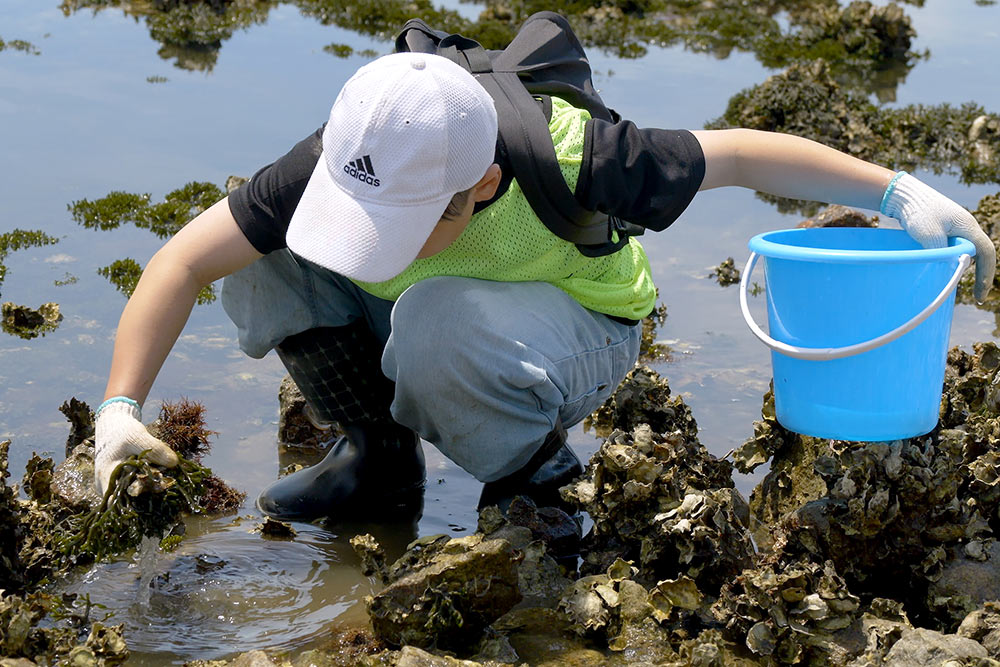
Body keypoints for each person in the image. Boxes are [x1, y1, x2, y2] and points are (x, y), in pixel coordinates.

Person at [93, 51, 996, 523]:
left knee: (437, 318)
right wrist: (119, 409)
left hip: (578, 327)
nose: (371, 237)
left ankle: (533, 476)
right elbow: (182, 260)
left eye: (403, 219)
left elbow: (736, 151)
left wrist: (898, 192)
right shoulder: (349, 149)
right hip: (438, 312)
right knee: (269, 256)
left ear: (481, 183)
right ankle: (378, 460)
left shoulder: (577, 155)